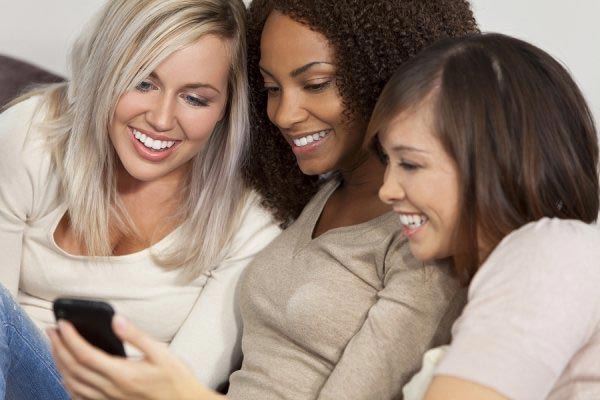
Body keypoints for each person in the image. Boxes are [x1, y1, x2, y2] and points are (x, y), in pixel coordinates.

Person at [49, 1, 479, 399]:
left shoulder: (421, 234)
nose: (284, 114)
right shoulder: (319, 193)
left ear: (385, 73)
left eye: (315, 83)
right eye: (272, 88)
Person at [0, 0, 281, 398]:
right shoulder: (32, 136)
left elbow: (184, 385)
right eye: (143, 83)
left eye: (195, 99)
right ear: (108, 71)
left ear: (227, 106)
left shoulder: (249, 221)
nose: (162, 120)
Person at [368, 32, 600, 399]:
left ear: (496, 162)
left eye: (410, 163)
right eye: (388, 161)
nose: (387, 190)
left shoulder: (550, 252)